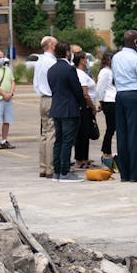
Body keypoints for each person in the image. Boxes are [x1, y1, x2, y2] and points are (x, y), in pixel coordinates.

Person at [112, 30, 137, 182]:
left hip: (120, 95)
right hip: (134, 95)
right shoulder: (136, 59)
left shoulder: (116, 57)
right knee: (135, 135)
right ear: (136, 42)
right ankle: (135, 173)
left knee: (122, 135)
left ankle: (125, 173)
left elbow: (115, 78)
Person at [47, 41, 84, 182]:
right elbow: (77, 90)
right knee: (67, 142)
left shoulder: (52, 69)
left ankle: (57, 171)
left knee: (59, 141)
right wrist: (81, 105)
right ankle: (64, 172)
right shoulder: (69, 69)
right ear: (67, 52)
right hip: (69, 109)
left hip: (56, 108)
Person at [31, 35, 57, 177]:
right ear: (51, 45)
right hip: (52, 98)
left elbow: (35, 82)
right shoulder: (51, 62)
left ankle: (42, 166)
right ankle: (50, 167)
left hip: (43, 98)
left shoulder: (40, 61)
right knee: (52, 134)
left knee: (44, 133)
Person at [72, 50, 97, 168]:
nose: (87, 61)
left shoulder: (83, 73)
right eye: (85, 59)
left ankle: (84, 157)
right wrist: (92, 107)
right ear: (81, 60)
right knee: (81, 133)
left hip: (87, 107)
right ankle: (79, 158)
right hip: (85, 107)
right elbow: (85, 94)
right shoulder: (80, 74)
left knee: (86, 133)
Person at [93, 48, 118, 160]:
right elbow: (100, 88)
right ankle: (106, 151)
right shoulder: (105, 71)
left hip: (115, 101)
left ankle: (107, 150)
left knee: (113, 128)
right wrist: (100, 101)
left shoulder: (114, 70)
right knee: (111, 128)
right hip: (109, 101)